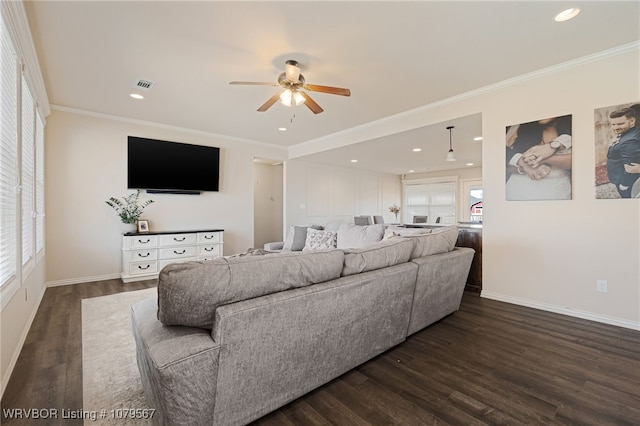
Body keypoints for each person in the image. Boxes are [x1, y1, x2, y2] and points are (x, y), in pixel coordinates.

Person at [505, 115, 572, 200]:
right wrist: (524, 167)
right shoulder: (524, 132)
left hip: (557, 191)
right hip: (518, 189)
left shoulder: (571, 135)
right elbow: (507, 166)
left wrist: (539, 158)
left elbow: (575, 162)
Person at [606, 106, 640, 198]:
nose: (616, 128)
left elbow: (631, 168)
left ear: (632, 121)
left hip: (627, 183)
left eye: (620, 124)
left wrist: (624, 185)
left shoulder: (630, 140)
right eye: (613, 124)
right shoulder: (627, 134)